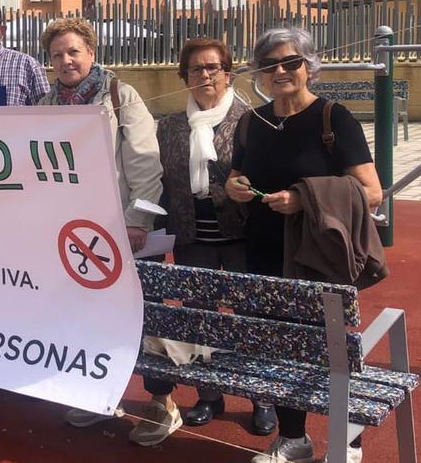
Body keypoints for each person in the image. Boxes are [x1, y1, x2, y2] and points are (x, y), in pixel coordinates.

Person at [226, 27, 382, 463]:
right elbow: (237, 174)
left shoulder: (334, 118)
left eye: (290, 61)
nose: (280, 70)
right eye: (269, 64)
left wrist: (303, 199)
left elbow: (371, 191)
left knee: (329, 350)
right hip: (262, 250)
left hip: (316, 254)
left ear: (309, 66)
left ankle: (348, 441)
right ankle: (293, 438)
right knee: (276, 347)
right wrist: (234, 185)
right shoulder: (250, 122)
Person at [35, 19, 164, 436]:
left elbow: (145, 162)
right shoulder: (44, 105)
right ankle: (98, 394)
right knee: (86, 317)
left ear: (91, 52)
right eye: (57, 54)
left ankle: (162, 403)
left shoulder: (119, 95)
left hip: (119, 228)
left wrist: (137, 220)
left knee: (141, 317)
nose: (66, 60)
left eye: (73, 51)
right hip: (72, 232)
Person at [146, 38, 276, 441]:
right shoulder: (168, 126)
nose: (205, 75)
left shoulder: (254, 119)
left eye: (213, 68)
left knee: (250, 318)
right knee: (200, 318)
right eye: (196, 69)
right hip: (191, 237)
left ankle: (261, 398)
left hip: (241, 236)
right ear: (183, 77)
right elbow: (156, 179)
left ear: (228, 72)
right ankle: (209, 394)